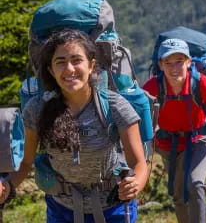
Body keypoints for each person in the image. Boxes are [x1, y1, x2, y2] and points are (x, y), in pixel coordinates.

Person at [0, 29, 148, 222]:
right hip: (61, 210)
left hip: (114, 209)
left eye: (77, 60)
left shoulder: (115, 106)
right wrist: (7, 186)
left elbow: (139, 163)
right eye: (60, 62)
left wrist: (136, 182)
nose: (69, 69)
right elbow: (25, 162)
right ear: (51, 70)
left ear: (91, 65)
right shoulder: (36, 109)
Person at [142, 38, 206, 223]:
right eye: (168, 62)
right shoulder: (153, 86)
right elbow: (137, 116)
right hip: (169, 144)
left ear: (189, 62)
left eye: (179, 62)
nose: (174, 68)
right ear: (160, 64)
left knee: (195, 183)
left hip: (199, 138)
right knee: (179, 195)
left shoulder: (200, 82)